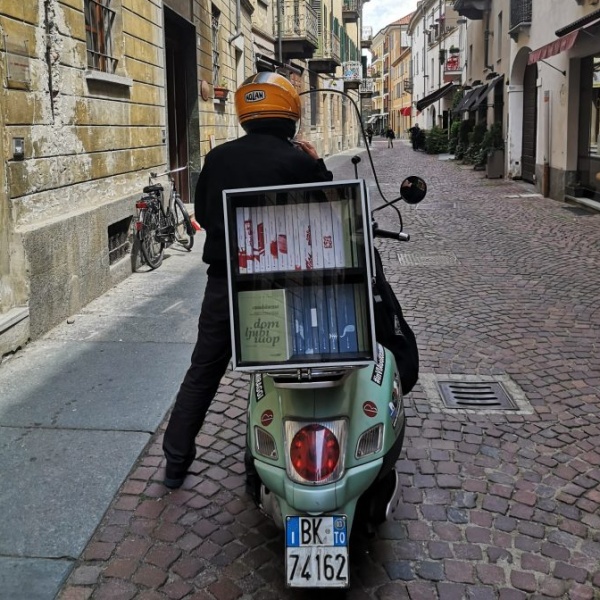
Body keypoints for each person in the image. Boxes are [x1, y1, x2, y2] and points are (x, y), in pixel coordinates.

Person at [161, 72, 333, 489]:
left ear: (246, 114)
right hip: (284, 283)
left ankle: (175, 462)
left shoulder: (217, 158)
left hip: (225, 282)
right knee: (289, 372)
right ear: (289, 115)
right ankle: (269, 462)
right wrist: (317, 164)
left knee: (203, 369)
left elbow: (201, 214)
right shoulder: (298, 160)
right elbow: (329, 209)